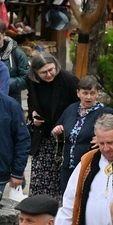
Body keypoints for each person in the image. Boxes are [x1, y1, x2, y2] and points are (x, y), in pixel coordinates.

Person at [26, 52, 80, 200]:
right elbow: (31, 101)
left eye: (51, 70)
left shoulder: (69, 80)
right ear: (35, 73)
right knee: (39, 180)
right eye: (44, 72)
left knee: (60, 182)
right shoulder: (32, 81)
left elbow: (78, 107)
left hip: (63, 137)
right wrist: (33, 115)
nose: (49, 74)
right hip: (43, 137)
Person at [52, 77, 113, 193]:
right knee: (68, 197)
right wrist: (56, 131)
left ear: (97, 93)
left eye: (92, 93)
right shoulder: (71, 109)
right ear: (78, 93)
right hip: (68, 164)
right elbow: (57, 128)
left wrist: (102, 140)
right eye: (85, 93)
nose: (89, 97)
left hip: (90, 165)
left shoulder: (106, 112)